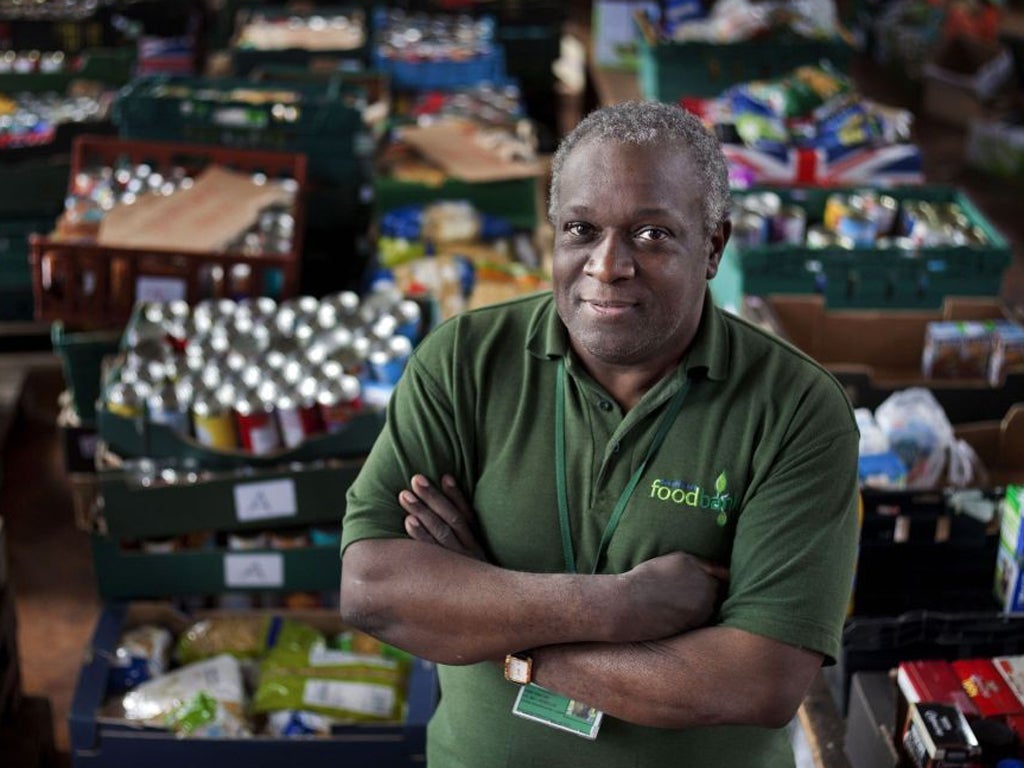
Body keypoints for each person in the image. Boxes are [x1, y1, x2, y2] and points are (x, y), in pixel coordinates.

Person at [340, 100, 860, 767]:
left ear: (714, 246)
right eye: (582, 229)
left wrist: (497, 621)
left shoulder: (796, 409)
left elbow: (757, 682)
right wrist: (615, 607)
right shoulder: (464, 361)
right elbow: (373, 589)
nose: (608, 265)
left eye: (652, 235)